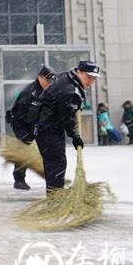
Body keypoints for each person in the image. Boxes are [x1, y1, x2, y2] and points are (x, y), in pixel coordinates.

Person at [34, 61, 100, 194]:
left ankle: (54, 195)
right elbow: (67, 118)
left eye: (94, 78)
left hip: (49, 127)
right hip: (47, 129)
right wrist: (75, 136)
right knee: (56, 164)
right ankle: (55, 199)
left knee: (55, 163)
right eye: (88, 77)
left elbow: (67, 114)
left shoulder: (69, 78)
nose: (91, 81)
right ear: (79, 72)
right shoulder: (69, 91)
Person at [5, 64, 56, 190]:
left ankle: (53, 179)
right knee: (24, 150)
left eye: (51, 80)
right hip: (21, 124)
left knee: (47, 150)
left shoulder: (49, 90)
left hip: (36, 123)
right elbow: (18, 114)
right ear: (40, 77)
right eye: (47, 80)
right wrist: (28, 133)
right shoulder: (29, 92)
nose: (49, 83)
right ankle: (19, 179)